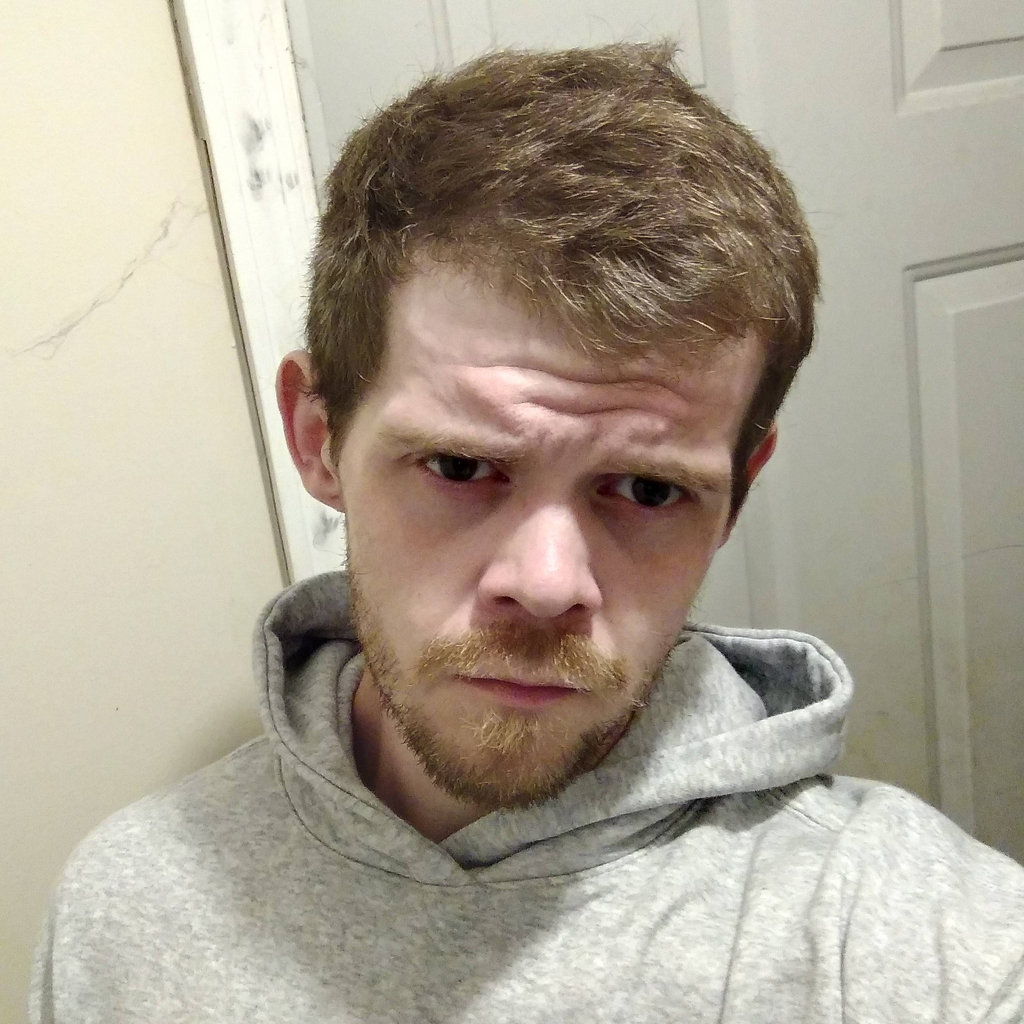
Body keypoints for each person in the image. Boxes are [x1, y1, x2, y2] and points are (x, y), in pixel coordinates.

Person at [32, 43, 1023, 1023]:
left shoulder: (912, 938)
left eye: (646, 488)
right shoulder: (131, 910)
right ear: (317, 437)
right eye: (461, 468)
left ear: (736, 495)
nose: (547, 585)